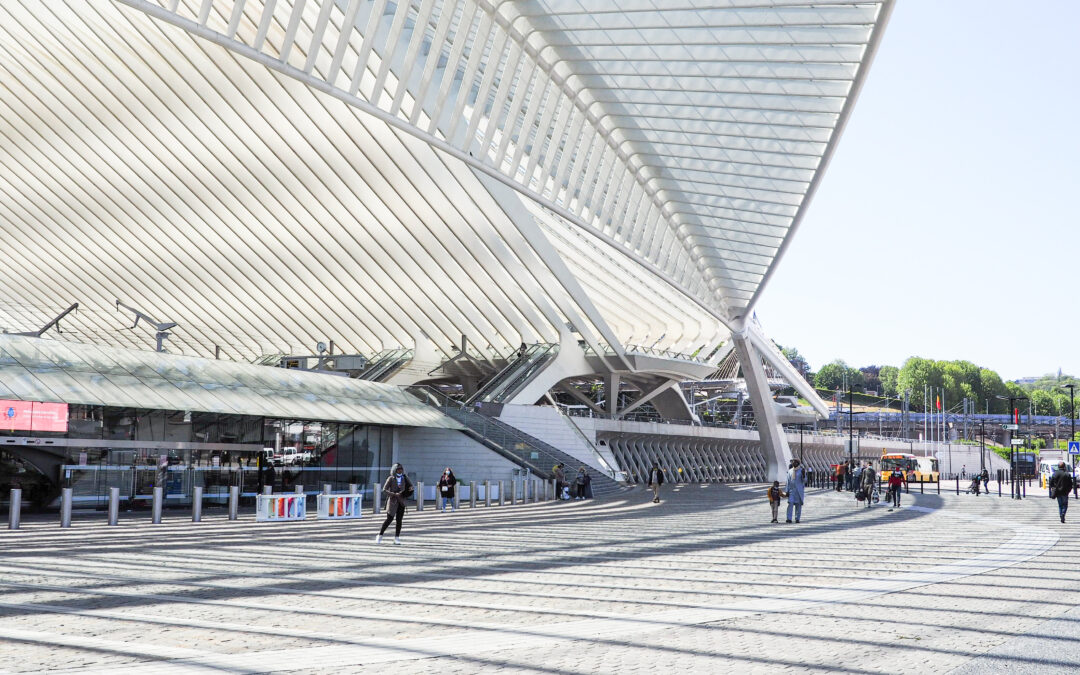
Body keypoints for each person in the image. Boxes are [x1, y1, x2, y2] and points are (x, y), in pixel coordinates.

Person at [377, 463, 412, 544]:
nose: (400, 471)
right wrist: (393, 494)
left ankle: (397, 538)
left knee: (399, 520)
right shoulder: (391, 478)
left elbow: (411, 486)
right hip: (393, 501)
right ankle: (380, 535)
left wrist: (407, 492)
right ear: (394, 470)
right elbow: (384, 490)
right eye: (398, 469)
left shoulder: (405, 478)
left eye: (401, 469)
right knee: (389, 519)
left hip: (401, 501)